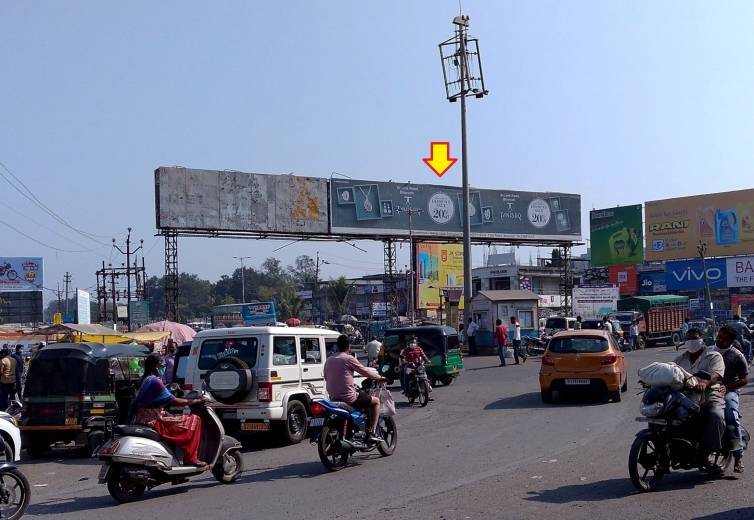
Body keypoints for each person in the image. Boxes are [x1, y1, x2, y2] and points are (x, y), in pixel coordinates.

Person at [130, 353, 206, 466]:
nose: (163, 368)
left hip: (142, 418)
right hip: (155, 420)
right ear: (154, 366)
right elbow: (174, 401)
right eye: (162, 365)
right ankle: (191, 458)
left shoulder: (144, 380)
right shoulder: (155, 381)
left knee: (175, 417)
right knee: (195, 420)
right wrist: (196, 401)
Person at [674, 328, 726, 462]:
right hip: (685, 396)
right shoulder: (680, 359)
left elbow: (716, 375)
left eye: (695, 338)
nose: (691, 341)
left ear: (702, 340)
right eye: (689, 338)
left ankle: (711, 450)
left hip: (710, 394)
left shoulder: (714, 356)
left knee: (715, 415)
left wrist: (705, 383)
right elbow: (671, 373)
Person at [323, 335, 384, 443]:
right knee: (376, 401)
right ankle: (372, 432)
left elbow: (327, 377)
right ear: (349, 346)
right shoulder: (348, 358)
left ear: (337, 346)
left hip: (333, 398)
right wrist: (379, 377)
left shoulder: (329, 360)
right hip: (349, 398)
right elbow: (364, 371)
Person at [714, 325, 749, 473]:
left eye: (724, 339)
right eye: (719, 336)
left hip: (729, 391)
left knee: (730, 415)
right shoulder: (708, 351)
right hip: (706, 389)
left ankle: (738, 456)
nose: (720, 340)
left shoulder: (737, 356)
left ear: (732, 341)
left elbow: (744, 379)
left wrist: (727, 387)